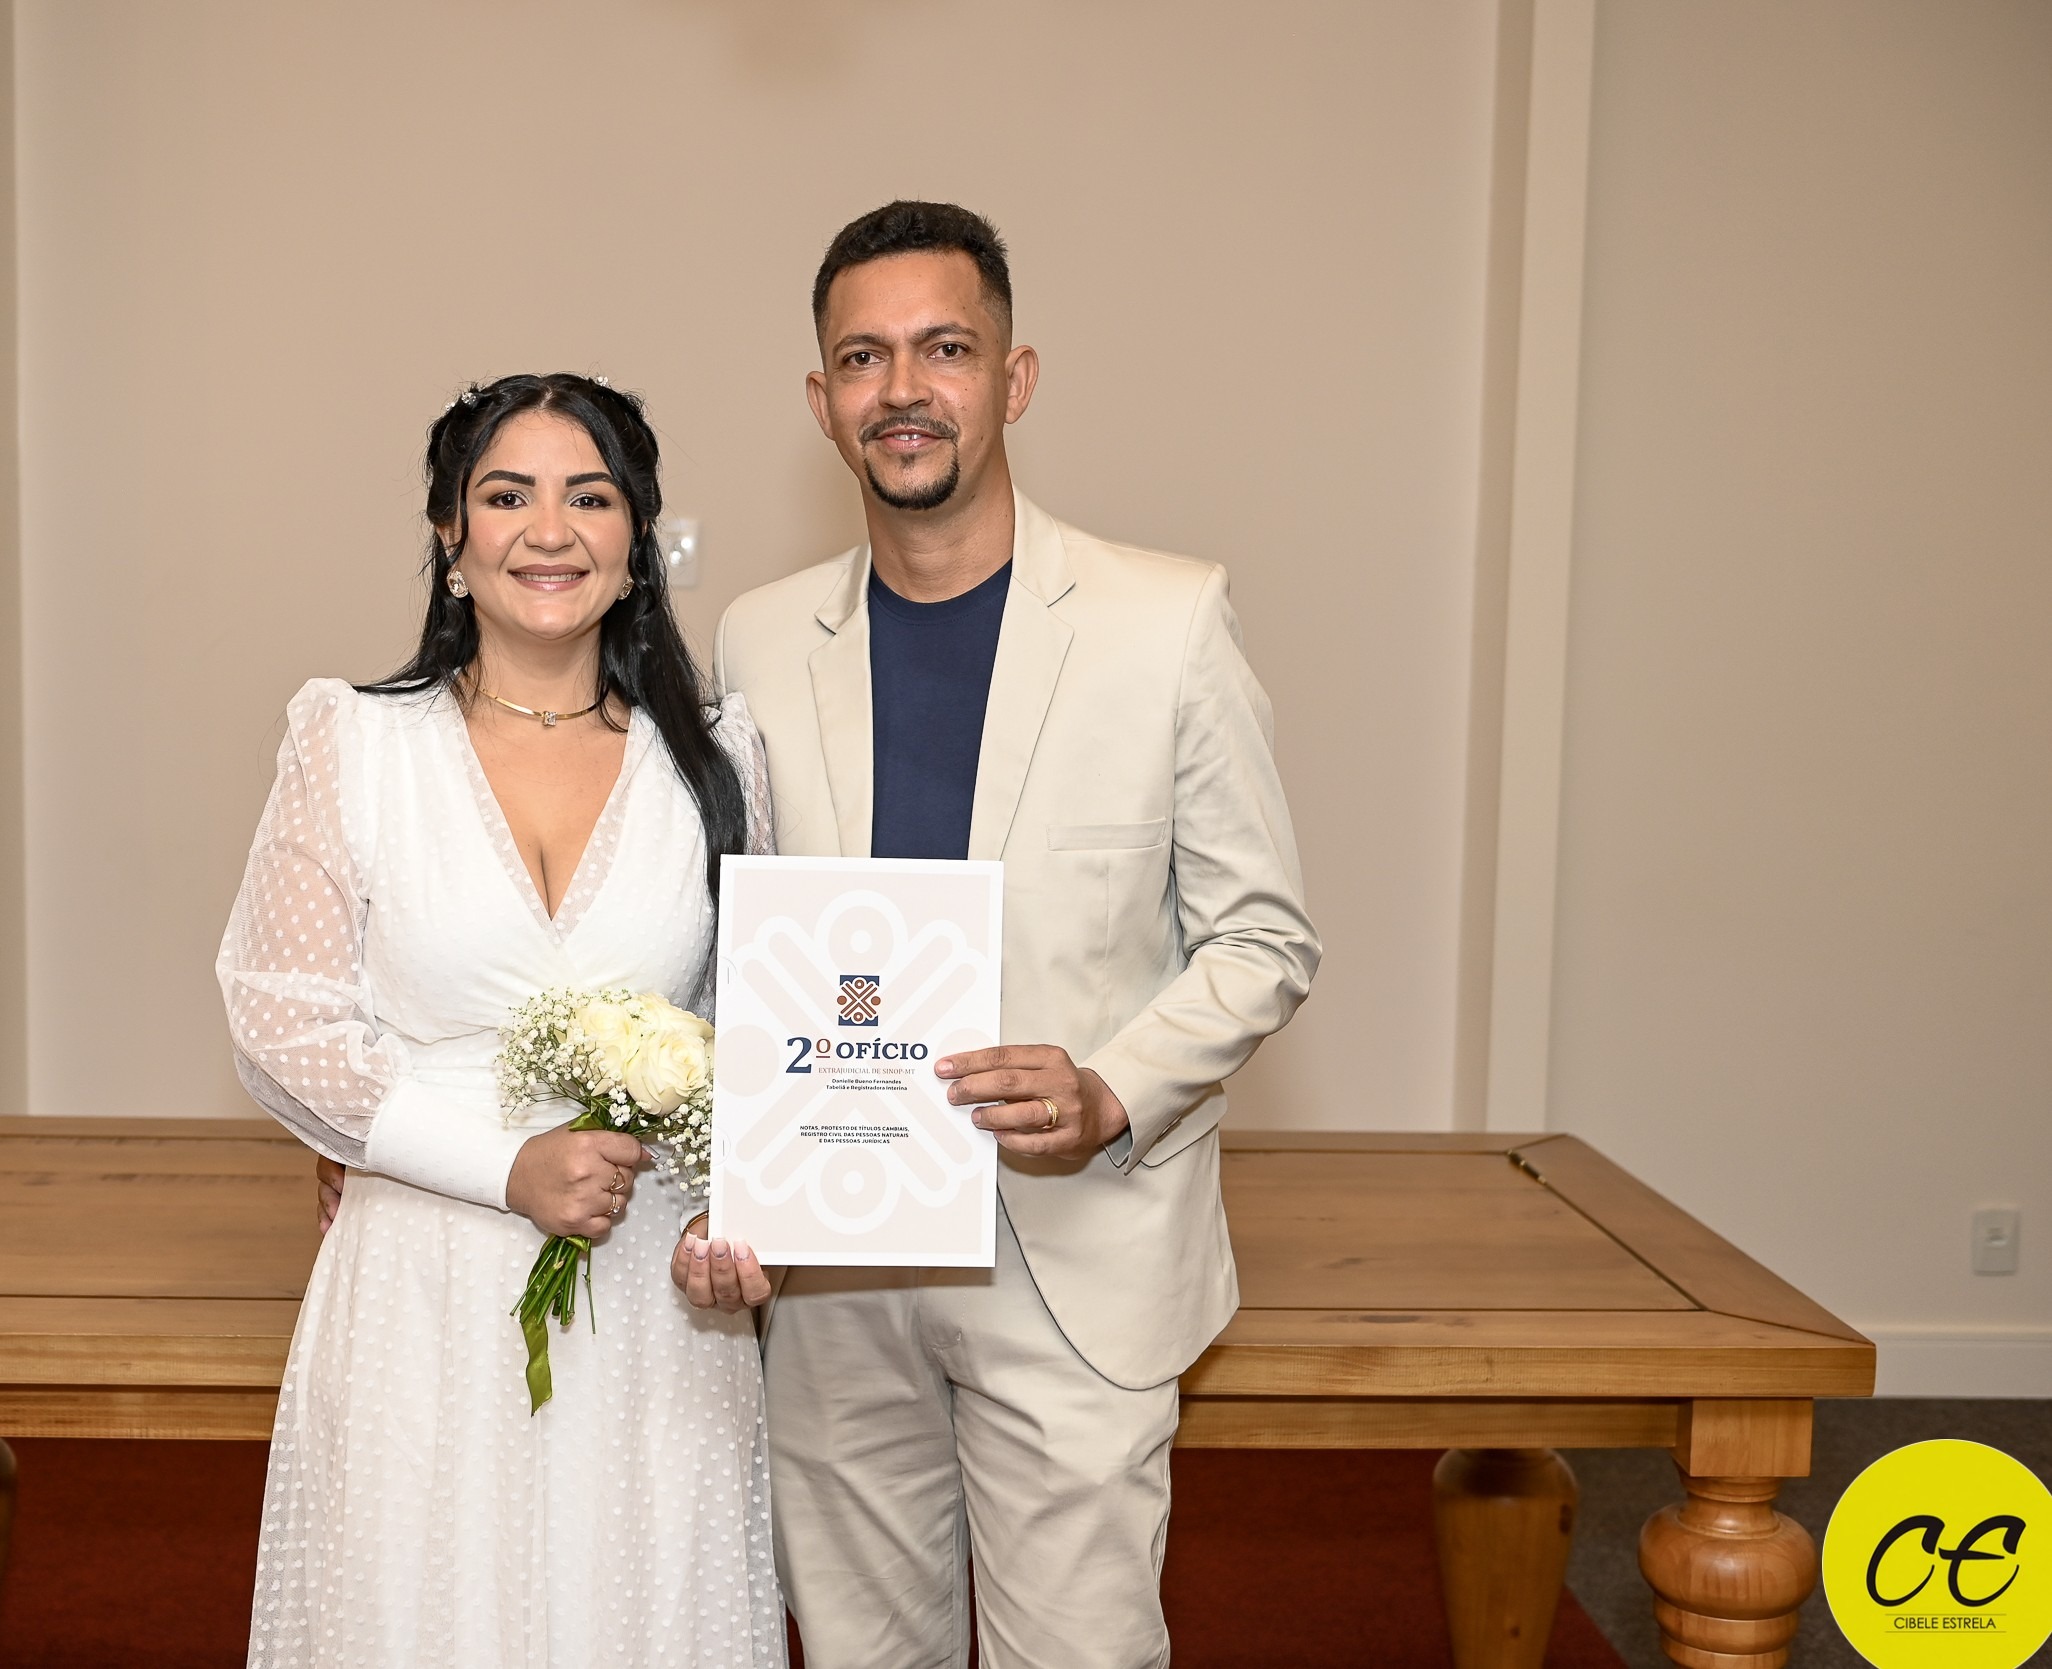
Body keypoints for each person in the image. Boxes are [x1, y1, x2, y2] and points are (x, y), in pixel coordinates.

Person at [697, 201, 1321, 1669]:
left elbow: (1262, 936)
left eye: (946, 348)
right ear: (821, 400)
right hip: (835, 1268)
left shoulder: (1168, 621)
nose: (902, 388)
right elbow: (730, 934)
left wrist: (1110, 1089)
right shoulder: (758, 639)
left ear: (1015, 378)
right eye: (864, 357)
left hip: (1076, 1251)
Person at [215, 373, 786, 1668]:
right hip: (424, 1276)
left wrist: (746, 1216)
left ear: (637, 540)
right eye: (508, 495)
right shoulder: (354, 742)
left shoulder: (716, 758)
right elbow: (281, 1021)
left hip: (650, 1298)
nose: (550, 530)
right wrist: (501, 1166)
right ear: (450, 535)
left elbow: (761, 1034)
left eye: (591, 497)